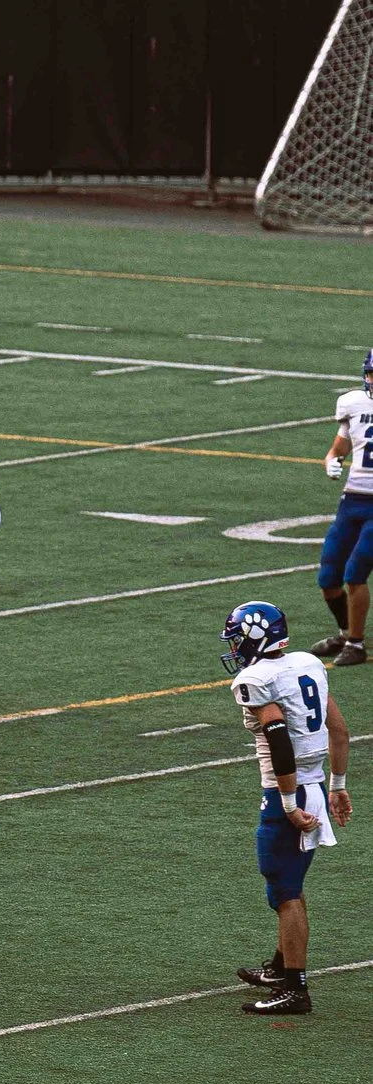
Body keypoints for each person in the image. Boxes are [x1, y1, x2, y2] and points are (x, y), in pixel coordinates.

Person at [223, 601, 350, 1015]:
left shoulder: (257, 678)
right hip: (313, 783)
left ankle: (295, 988)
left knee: (284, 889)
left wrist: (290, 803)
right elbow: (339, 728)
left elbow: (278, 738)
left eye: (237, 637)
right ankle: (281, 967)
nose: (234, 646)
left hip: (289, 791)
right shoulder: (307, 663)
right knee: (288, 882)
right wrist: (338, 785)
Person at [307, 349, 373, 666]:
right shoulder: (353, 403)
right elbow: (338, 448)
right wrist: (332, 461)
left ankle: (357, 646)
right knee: (329, 576)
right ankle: (346, 633)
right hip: (352, 500)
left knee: (355, 573)